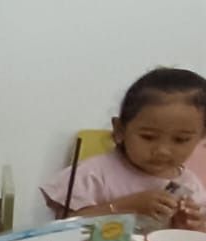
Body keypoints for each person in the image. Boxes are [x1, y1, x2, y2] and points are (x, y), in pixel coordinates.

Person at [41, 68, 206, 230]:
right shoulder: (92, 175)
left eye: (180, 140)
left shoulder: (190, 186)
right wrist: (125, 207)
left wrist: (190, 226)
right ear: (120, 130)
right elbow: (62, 229)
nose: (162, 150)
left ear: (201, 137)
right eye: (148, 137)